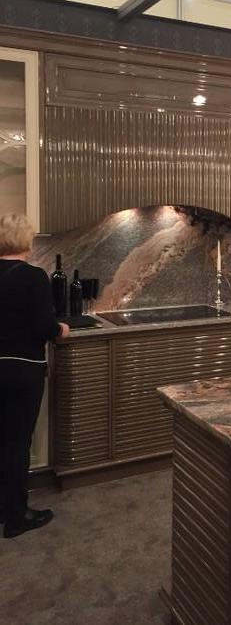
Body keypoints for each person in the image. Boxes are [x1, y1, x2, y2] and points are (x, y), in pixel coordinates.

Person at [0, 213, 70, 538]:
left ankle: (3, 507)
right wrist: (61, 329)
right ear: (27, 241)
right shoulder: (33, 276)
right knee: (17, 442)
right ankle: (17, 517)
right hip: (22, 369)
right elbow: (44, 326)